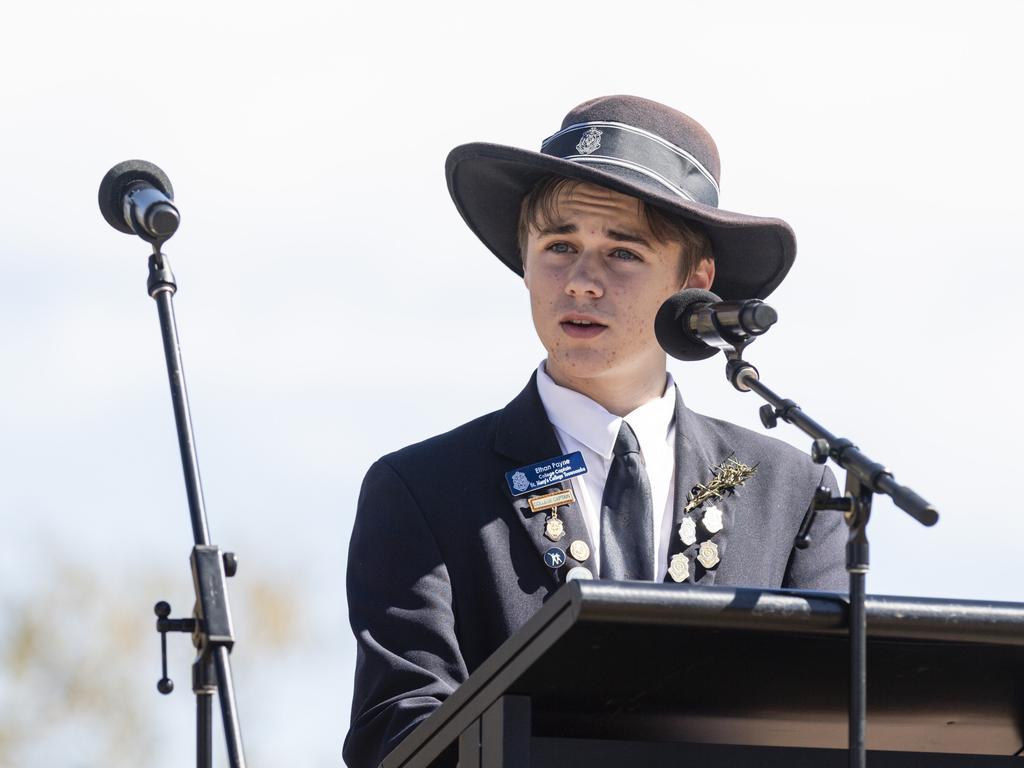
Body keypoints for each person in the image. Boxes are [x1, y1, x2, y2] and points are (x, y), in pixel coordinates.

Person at [343, 95, 846, 768]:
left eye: (623, 253)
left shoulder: (791, 490)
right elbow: (398, 730)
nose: (581, 281)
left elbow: (833, 724)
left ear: (695, 282)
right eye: (559, 247)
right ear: (524, 260)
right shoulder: (423, 490)